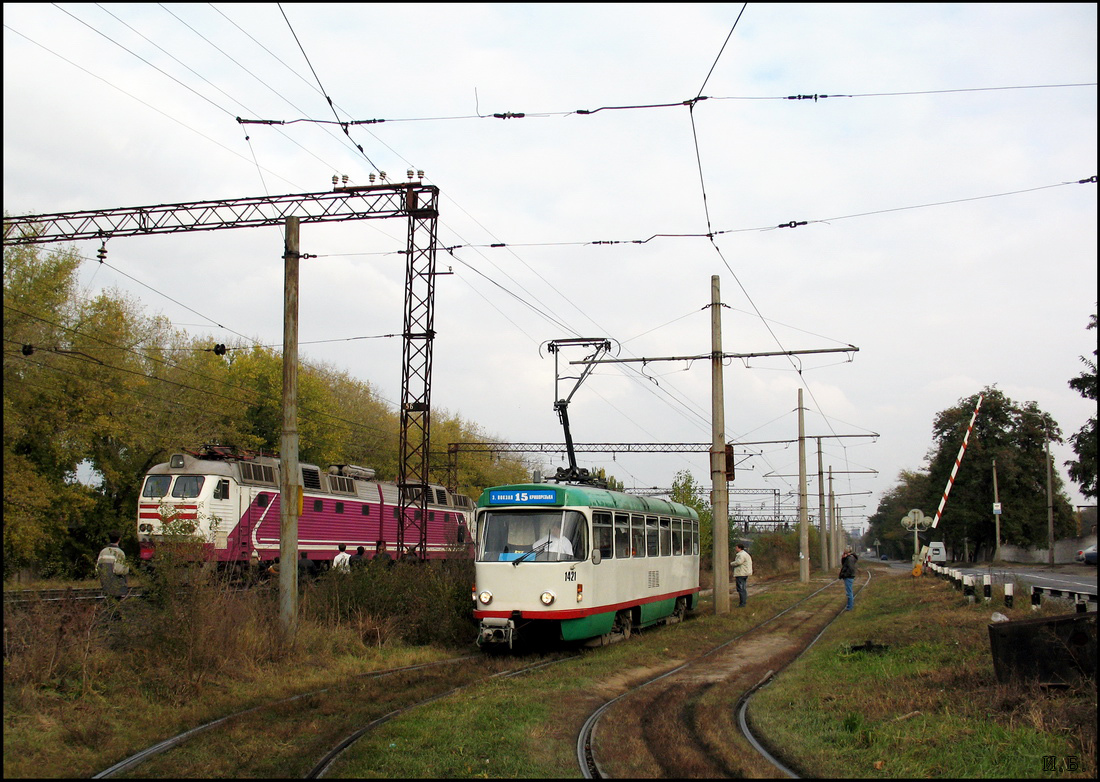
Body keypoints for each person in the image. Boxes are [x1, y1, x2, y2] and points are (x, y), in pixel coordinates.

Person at [96, 531, 129, 599]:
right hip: (117, 585)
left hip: (105, 583)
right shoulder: (120, 552)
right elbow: (119, 571)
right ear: (119, 539)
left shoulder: (103, 551)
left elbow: (97, 569)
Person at [731, 542, 752, 607]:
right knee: (742, 588)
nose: (735, 549)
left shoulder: (741, 555)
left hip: (741, 573)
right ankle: (743, 602)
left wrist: (731, 563)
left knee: (741, 589)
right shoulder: (745, 554)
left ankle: (742, 604)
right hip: (744, 573)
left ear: (739, 548)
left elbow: (739, 562)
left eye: (736, 547)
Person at [839, 546, 859, 610]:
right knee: (849, 591)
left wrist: (845, 574)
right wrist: (843, 558)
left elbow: (850, 568)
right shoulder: (850, 558)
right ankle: (849, 606)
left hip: (848, 576)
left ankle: (850, 606)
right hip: (849, 576)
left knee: (849, 592)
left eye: (844, 551)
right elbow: (844, 564)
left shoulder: (849, 558)